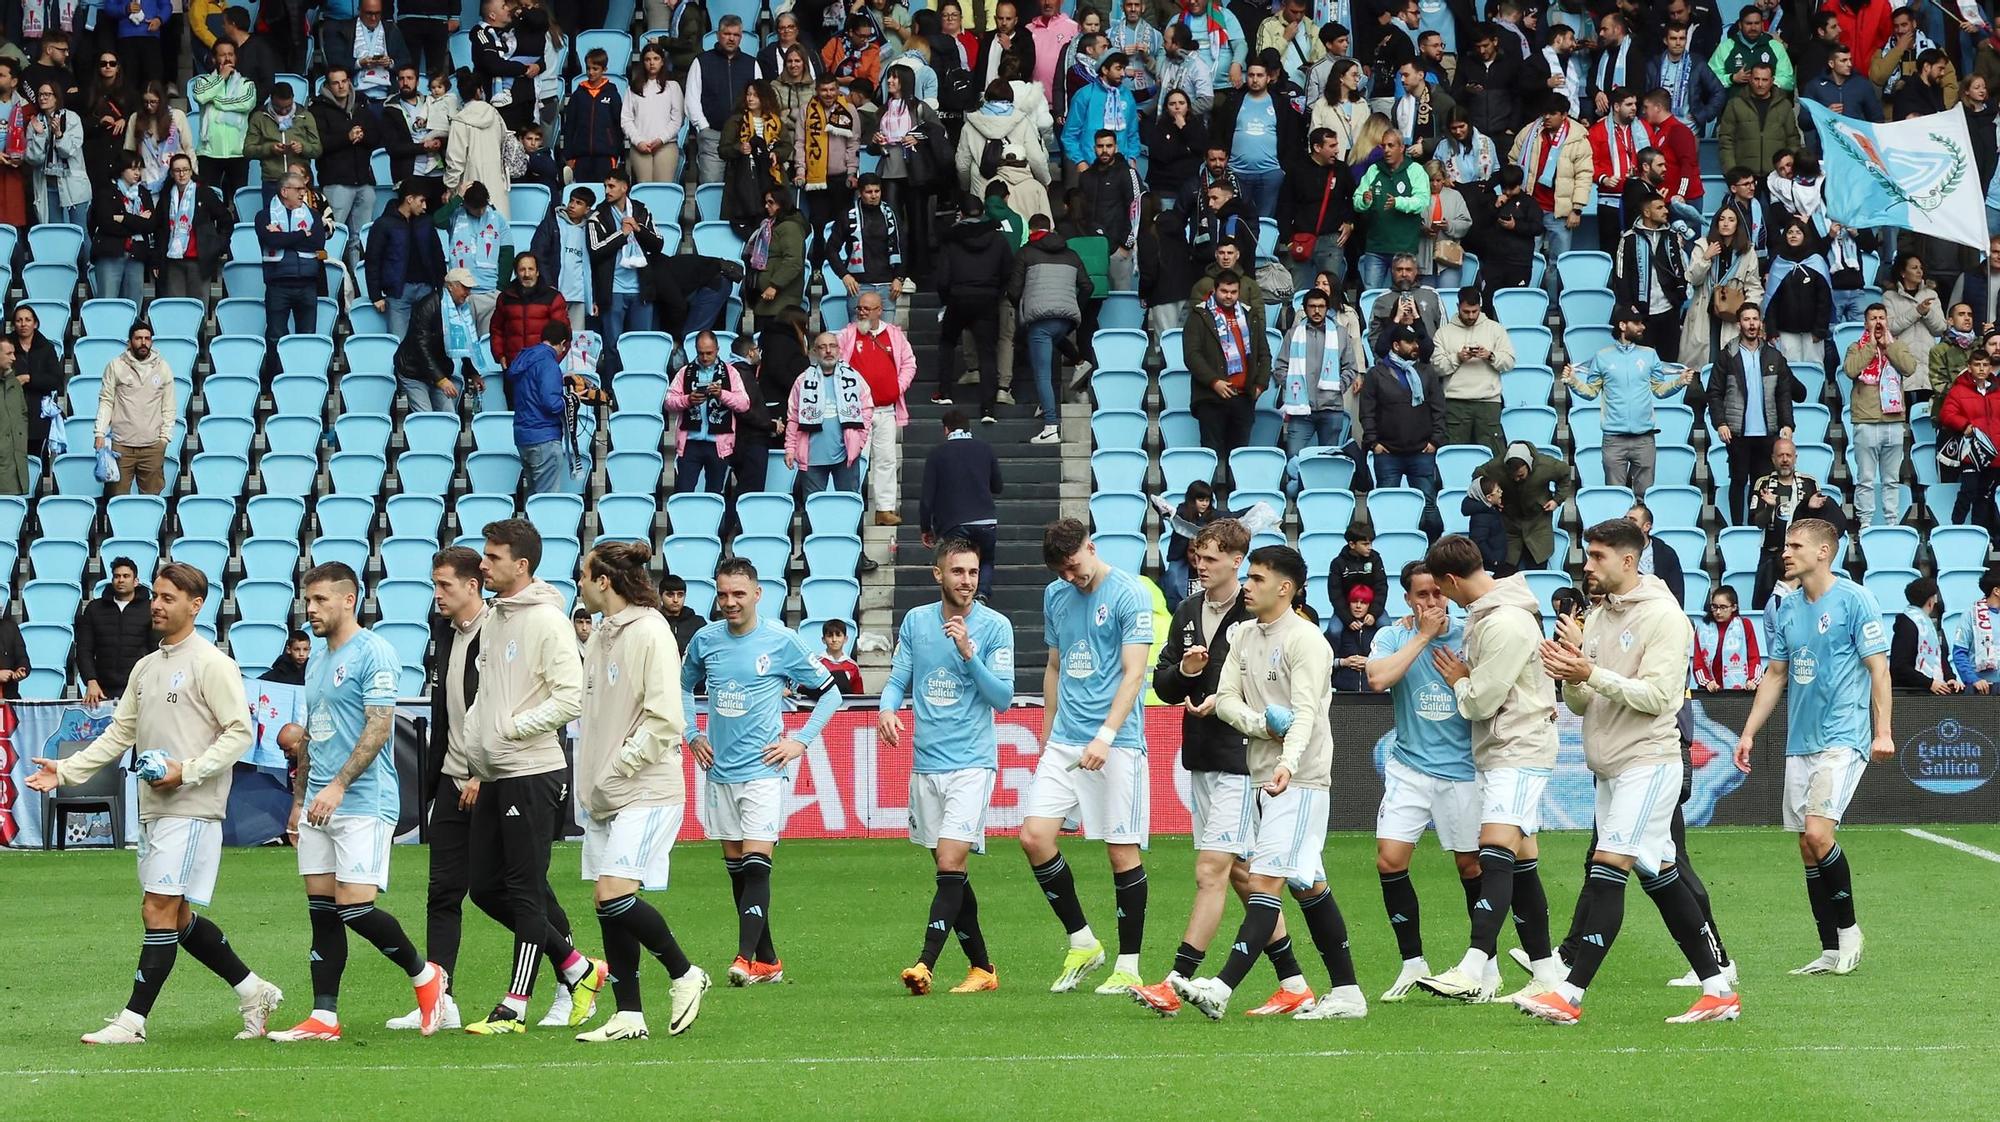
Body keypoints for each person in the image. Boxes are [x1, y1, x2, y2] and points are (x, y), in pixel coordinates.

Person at [23, 564, 283, 1045]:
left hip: (193, 806)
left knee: (157, 908)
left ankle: (133, 1021)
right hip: (153, 808)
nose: (157, 606)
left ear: (195, 605)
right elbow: (121, 733)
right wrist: (68, 769)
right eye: (156, 597)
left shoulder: (211, 663)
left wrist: (188, 770)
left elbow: (239, 733)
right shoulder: (147, 666)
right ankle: (253, 990)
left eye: (167, 598)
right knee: (176, 915)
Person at [1519, 520, 1740, 1025]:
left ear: (1627, 560)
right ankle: (1717, 988)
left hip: (1649, 761)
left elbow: (1661, 697)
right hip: (1611, 767)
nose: (1587, 565)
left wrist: (1589, 672)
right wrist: (1571, 669)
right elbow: (1582, 699)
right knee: (1659, 873)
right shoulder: (1597, 617)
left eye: (1597, 556)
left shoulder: (1665, 617)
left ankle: (1569, 993)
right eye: (1587, 555)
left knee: (1607, 866)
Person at [1175, 544, 1368, 1020]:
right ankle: (1347, 993)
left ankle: (1220, 988)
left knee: (1264, 880)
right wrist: (1263, 726)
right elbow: (1223, 700)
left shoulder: (1307, 642)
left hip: (1299, 778)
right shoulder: (1242, 635)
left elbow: (1306, 714)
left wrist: (1288, 760)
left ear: (1285, 588)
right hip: (1265, 773)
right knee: (1309, 886)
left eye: (1257, 578)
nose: (1247, 585)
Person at [1133, 519, 1314, 1017]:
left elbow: (1274, 684)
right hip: (1202, 755)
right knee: (1240, 873)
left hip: (1242, 759)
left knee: (1211, 868)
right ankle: (1294, 982)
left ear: (1238, 561)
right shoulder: (1188, 610)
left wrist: (1228, 702)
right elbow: (1164, 682)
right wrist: (1186, 673)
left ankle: (1176, 979)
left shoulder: (1259, 612)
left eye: (1211, 558)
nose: (1201, 564)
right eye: (1198, 556)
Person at [266, 563, 448, 1043]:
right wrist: (300, 798)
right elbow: (311, 737)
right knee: (321, 910)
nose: (311, 609)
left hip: (363, 800)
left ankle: (427, 978)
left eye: (321, 600)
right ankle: (324, 1016)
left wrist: (339, 785)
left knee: (355, 908)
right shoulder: (319, 660)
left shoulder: (375, 652)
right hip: (318, 805)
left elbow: (379, 724)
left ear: (349, 600)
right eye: (308, 600)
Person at [458, 520, 604, 1034]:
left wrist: (513, 729)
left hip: (534, 770)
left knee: (524, 888)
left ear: (520, 565)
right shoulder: (497, 618)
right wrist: (477, 750)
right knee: (485, 888)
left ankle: (514, 1005)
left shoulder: (547, 620)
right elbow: (486, 694)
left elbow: (571, 696)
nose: (483, 564)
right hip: (496, 773)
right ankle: (577, 967)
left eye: (493, 557)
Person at [1733, 518, 1893, 977]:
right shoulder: (1786, 607)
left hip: (1843, 735)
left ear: (1824, 552)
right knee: (1807, 846)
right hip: (1800, 739)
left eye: (1796, 544)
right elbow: (1776, 674)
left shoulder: (1856, 599)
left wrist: (1883, 731)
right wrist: (1748, 732)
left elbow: (1878, 669)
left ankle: (1850, 934)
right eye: (1785, 543)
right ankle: (1828, 949)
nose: (1786, 551)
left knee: (1820, 835)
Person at [567, 542, 710, 1043]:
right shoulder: (602, 632)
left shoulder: (650, 631)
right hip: (606, 793)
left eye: (583, 574)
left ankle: (685, 972)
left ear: (603, 581)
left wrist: (617, 769)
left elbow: (666, 719)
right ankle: (629, 1014)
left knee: (614, 894)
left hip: (646, 788)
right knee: (606, 900)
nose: (579, 583)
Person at [1410, 536, 1563, 1003]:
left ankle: (1475, 966)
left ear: (1453, 580)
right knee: (1520, 863)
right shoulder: (1495, 617)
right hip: (1504, 748)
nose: (1444, 599)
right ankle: (1547, 972)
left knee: (1493, 849)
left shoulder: (1505, 623)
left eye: (1443, 589)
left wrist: (1459, 680)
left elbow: (1481, 701)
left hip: (1518, 747)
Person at [682, 558, 844, 987]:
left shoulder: (782, 641)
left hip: (764, 772)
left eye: (739, 594)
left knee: (756, 865)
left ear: (758, 594)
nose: (730, 602)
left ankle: (743, 957)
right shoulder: (705, 640)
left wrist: (800, 741)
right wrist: (691, 731)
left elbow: (830, 694)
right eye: (723, 594)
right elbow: (682, 685)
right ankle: (769, 962)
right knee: (738, 869)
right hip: (719, 772)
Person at [1022, 518, 1153, 994]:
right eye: (1062, 571)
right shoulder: (1056, 595)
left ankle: (1130, 965)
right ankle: (1083, 942)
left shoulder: (1129, 593)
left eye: (1075, 566)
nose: (1070, 578)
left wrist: (1105, 734)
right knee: (1034, 838)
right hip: (1064, 740)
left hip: (1116, 742)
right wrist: (1047, 731)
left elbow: (1134, 673)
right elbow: (1054, 666)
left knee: (1120, 852)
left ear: (1090, 547)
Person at [877, 538, 1014, 996]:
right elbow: (899, 678)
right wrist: (887, 708)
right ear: (939, 575)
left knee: (951, 861)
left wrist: (969, 654)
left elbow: (1002, 699)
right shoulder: (917, 622)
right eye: (958, 572)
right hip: (926, 765)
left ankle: (924, 963)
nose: (967, 581)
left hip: (972, 764)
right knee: (949, 871)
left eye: (973, 572)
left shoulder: (995, 627)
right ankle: (982, 968)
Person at [1359, 559, 1486, 999]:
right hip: (1410, 766)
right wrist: (1423, 636)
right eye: (1422, 595)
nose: (1432, 602)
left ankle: (1481, 964)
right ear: (1408, 599)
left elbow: (1493, 689)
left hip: (1464, 771)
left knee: (1471, 865)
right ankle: (1413, 962)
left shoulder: (1472, 632)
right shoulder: (1394, 635)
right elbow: (1377, 678)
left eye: (1438, 593)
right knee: (1389, 860)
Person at [1563, 305, 1696, 494]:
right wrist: (1573, 382)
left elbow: (1659, 389)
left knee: (1645, 498)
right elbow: (1591, 392)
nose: (1642, 327)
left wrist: (1679, 382)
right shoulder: (1602, 357)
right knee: (1615, 497)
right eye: (1637, 323)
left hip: (1645, 438)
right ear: (1623, 325)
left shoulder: (1649, 355)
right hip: (1613, 440)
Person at [1706, 305, 1798, 523]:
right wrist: (1720, 423)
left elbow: (1784, 393)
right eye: (1747, 319)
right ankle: (1738, 527)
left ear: (1761, 323)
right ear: (1739, 324)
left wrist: (1787, 423)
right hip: (1737, 432)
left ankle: (1757, 526)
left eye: (1755, 319)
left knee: (1763, 482)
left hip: (1768, 432)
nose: (1751, 324)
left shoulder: (1774, 356)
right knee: (1738, 481)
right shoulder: (1727, 355)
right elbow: (1714, 392)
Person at [1010, 213, 1092, 445]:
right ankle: (1079, 362)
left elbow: (1014, 291)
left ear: (1031, 229)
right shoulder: (1071, 254)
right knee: (1053, 338)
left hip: (1040, 320)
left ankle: (1051, 426)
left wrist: (1025, 307)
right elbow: (1087, 285)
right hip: (1065, 319)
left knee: (1042, 374)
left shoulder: (1026, 252)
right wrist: (1075, 306)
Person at [838, 290, 918, 527]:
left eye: (866, 309)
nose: (861, 312)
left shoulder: (893, 334)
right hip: (856, 412)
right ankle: (854, 506)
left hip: (885, 409)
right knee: (856, 461)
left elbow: (909, 363)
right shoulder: (847, 334)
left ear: (879, 310)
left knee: (886, 460)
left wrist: (897, 387)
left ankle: (884, 510)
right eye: (859, 308)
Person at [1186, 270, 1268, 493]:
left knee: (1239, 456)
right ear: (1215, 290)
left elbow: (1264, 354)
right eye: (1224, 291)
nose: (1229, 296)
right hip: (1211, 398)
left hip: (1243, 396)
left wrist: (1260, 384)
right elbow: (1192, 355)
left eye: (1233, 292)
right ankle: (1206, 506)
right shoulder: (1200, 315)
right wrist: (1214, 382)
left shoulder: (1249, 315)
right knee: (1211, 453)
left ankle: (1236, 502)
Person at [932, 200, 1013, 421]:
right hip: (987, 299)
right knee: (987, 353)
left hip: (958, 297)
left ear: (961, 213)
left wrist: (945, 300)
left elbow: (943, 278)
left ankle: (945, 392)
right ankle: (988, 408)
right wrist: (996, 292)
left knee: (947, 342)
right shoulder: (998, 238)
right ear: (983, 213)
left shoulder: (951, 239)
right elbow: (1008, 270)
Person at [1360, 324, 1446, 522]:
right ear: (1396, 346)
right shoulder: (1376, 373)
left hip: (1422, 451)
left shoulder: (1427, 372)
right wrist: (1374, 443)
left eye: (1416, 341)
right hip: (1388, 453)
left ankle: (1430, 549)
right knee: (1384, 507)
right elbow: (1367, 412)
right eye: (1410, 342)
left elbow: (1439, 408)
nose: (1416, 346)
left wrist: (1435, 441)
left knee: (1428, 507)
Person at [1842, 303, 1917, 528]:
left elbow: (1909, 367)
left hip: (1893, 421)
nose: (1878, 322)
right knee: (1865, 479)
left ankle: (1891, 523)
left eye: (1881, 318)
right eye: (1873, 318)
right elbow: (1851, 370)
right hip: (1866, 421)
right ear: (1866, 323)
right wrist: (1871, 347)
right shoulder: (1856, 347)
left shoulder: (1898, 346)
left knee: (1891, 480)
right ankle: (1865, 523)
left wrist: (1888, 347)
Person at [587, 170, 666, 379]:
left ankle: (640, 390)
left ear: (624, 187)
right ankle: (614, 392)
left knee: (641, 345)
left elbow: (658, 244)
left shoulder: (641, 211)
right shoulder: (597, 216)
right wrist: (621, 235)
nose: (607, 191)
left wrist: (638, 230)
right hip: (613, 291)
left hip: (641, 290)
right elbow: (595, 251)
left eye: (611, 186)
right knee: (613, 346)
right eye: (605, 186)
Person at [1510, 93, 1591, 296]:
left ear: (1564, 115)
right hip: (1530, 209)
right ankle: (1528, 303)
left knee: (1559, 263)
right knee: (1527, 259)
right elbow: (1513, 161)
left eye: (1552, 113)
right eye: (1544, 113)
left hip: (1560, 211)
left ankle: (1555, 307)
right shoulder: (1529, 132)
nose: (1546, 117)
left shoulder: (1577, 138)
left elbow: (1584, 176)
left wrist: (1577, 209)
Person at [919, 411, 1004, 601]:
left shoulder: (937, 454)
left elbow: (927, 497)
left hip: (954, 522)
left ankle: (960, 599)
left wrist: (926, 528)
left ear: (946, 429)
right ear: (969, 428)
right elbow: (997, 486)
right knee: (986, 559)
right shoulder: (985, 449)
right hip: (986, 519)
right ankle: (981, 594)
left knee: (955, 564)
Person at [256, 172, 332, 384]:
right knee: (275, 337)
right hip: (277, 285)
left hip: (308, 284)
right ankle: (276, 383)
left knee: (307, 336)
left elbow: (317, 243)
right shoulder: (264, 216)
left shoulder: (313, 216)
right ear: (284, 191)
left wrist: (284, 237)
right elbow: (270, 240)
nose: (303, 193)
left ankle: (305, 381)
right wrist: (300, 235)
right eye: (298, 189)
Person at [1278, 286, 1361, 465]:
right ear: (1305, 308)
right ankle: (1298, 492)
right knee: (1295, 460)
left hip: (1331, 409)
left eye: (1321, 306)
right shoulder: (1293, 334)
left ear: (1327, 307)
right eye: (1312, 306)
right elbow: (1280, 367)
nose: (1316, 311)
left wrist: (1338, 386)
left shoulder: (1339, 333)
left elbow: (1351, 367)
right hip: (1300, 410)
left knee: (1329, 462)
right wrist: (1293, 385)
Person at [665, 330, 753, 495]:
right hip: (690, 442)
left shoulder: (731, 372)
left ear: (718, 349)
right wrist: (687, 400)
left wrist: (722, 394)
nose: (705, 357)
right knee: (684, 494)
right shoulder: (685, 372)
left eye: (709, 353)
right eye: (701, 353)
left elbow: (744, 404)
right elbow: (669, 402)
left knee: (715, 496)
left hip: (718, 444)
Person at [786, 332, 875, 494]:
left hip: (846, 455)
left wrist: (859, 441)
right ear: (814, 352)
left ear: (839, 350)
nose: (828, 351)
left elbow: (867, 409)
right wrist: (790, 449)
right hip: (812, 458)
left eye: (832, 346)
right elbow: (793, 418)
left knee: (849, 505)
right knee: (812, 509)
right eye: (822, 347)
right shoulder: (802, 380)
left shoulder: (854, 377)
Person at [95, 322, 173, 497]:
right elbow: (106, 401)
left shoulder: (163, 368)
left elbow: (169, 407)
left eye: (147, 338)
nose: (143, 343)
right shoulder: (115, 366)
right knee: (116, 500)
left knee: (152, 501)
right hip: (120, 446)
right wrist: (99, 432)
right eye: (138, 338)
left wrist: (164, 438)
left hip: (153, 446)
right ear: (130, 342)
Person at [1433, 287, 1513, 456]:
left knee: (1492, 459)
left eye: (1474, 311)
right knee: (1456, 454)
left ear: (1480, 307)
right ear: (1457, 307)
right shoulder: (1443, 333)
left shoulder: (1495, 329)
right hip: (1455, 403)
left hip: (1488, 402)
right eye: (1466, 311)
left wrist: (1490, 356)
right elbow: (1436, 367)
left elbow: (1509, 362)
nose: (1470, 316)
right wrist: (1458, 358)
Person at [366, 180, 446, 339]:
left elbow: (438, 256)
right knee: (400, 345)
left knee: (428, 343)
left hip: (426, 291)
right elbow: (373, 260)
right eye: (421, 201)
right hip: (398, 293)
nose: (425, 206)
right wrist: (375, 295)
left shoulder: (426, 222)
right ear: (409, 199)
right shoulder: (383, 224)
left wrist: (441, 290)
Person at [1351, 131, 1430, 291]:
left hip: (1404, 249)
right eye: (1383, 145)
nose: (1386, 150)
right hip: (1376, 247)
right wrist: (1364, 201)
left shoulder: (1415, 170)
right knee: (1371, 295)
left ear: (1401, 147)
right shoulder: (1374, 170)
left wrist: (1398, 202)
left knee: (1404, 294)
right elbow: (1357, 199)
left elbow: (1422, 201)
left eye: (1391, 145)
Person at [310, 66, 376, 252]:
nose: (341, 86)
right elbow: (319, 145)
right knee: (333, 234)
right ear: (328, 86)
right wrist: (346, 138)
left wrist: (364, 136)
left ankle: (357, 278)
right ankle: (332, 276)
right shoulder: (318, 109)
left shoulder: (362, 104)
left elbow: (378, 137)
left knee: (362, 238)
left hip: (364, 180)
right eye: (335, 83)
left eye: (344, 81)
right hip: (336, 182)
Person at [151, 153, 231, 300]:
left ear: (191, 171)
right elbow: (160, 230)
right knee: (176, 308)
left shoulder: (204, 193)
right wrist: (157, 260)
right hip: (172, 260)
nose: (182, 174)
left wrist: (218, 245)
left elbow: (225, 219)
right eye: (177, 170)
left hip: (199, 261)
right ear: (171, 173)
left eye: (185, 170)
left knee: (198, 308)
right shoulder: (166, 196)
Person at [77, 557, 155, 705]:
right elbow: (84, 649)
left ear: (135, 581)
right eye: (117, 576)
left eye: (126, 576)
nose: (121, 580)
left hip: (140, 688)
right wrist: (90, 681)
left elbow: (156, 650)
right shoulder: (94, 608)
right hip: (101, 689)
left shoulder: (150, 609)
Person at [1941, 349, 2000, 532]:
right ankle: (1955, 527)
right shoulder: (1958, 390)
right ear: (1969, 367)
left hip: (1994, 453)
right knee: (1968, 491)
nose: (1981, 369)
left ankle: (1978, 533)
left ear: (1990, 368)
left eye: (1985, 365)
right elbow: (1946, 414)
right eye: (1977, 365)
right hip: (1971, 453)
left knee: (1985, 495)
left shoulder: (1997, 391)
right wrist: (1964, 424)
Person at [91, 153, 154, 303]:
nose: (137, 173)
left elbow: (150, 224)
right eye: (132, 169)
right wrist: (138, 222)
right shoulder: (106, 191)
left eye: (139, 169)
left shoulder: (143, 193)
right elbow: (106, 224)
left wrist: (123, 218)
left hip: (136, 255)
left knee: (133, 302)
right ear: (121, 169)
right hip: (110, 253)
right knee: (108, 301)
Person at [489, 252, 568, 371]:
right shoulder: (505, 298)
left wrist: (552, 361)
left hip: (543, 368)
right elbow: (496, 330)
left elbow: (565, 334)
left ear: (537, 272)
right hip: (513, 367)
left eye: (531, 269)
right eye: (522, 270)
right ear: (516, 273)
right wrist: (500, 356)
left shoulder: (553, 297)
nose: (527, 274)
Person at [1894, 576, 1959, 695]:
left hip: (1931, 691)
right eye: (1935, 597)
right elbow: (1900, 666)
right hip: (1911, 695)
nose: (1936, 600)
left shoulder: (1928, 624)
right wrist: (1929, 683)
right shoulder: (1907, 624)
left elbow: (1940, 656)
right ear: (1930, 601)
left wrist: (1950, 678)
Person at [1695, 586, 1761, 691]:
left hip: (1742, 690)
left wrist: (1753, 680)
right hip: (1710, 691)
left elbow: (1754, 657)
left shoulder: (1745, 625)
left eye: (1723, 607)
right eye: (1714, 607)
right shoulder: (1702, 628)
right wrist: (1707, 682)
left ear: (1734, 607)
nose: (1718, 612)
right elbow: (1698, 663)